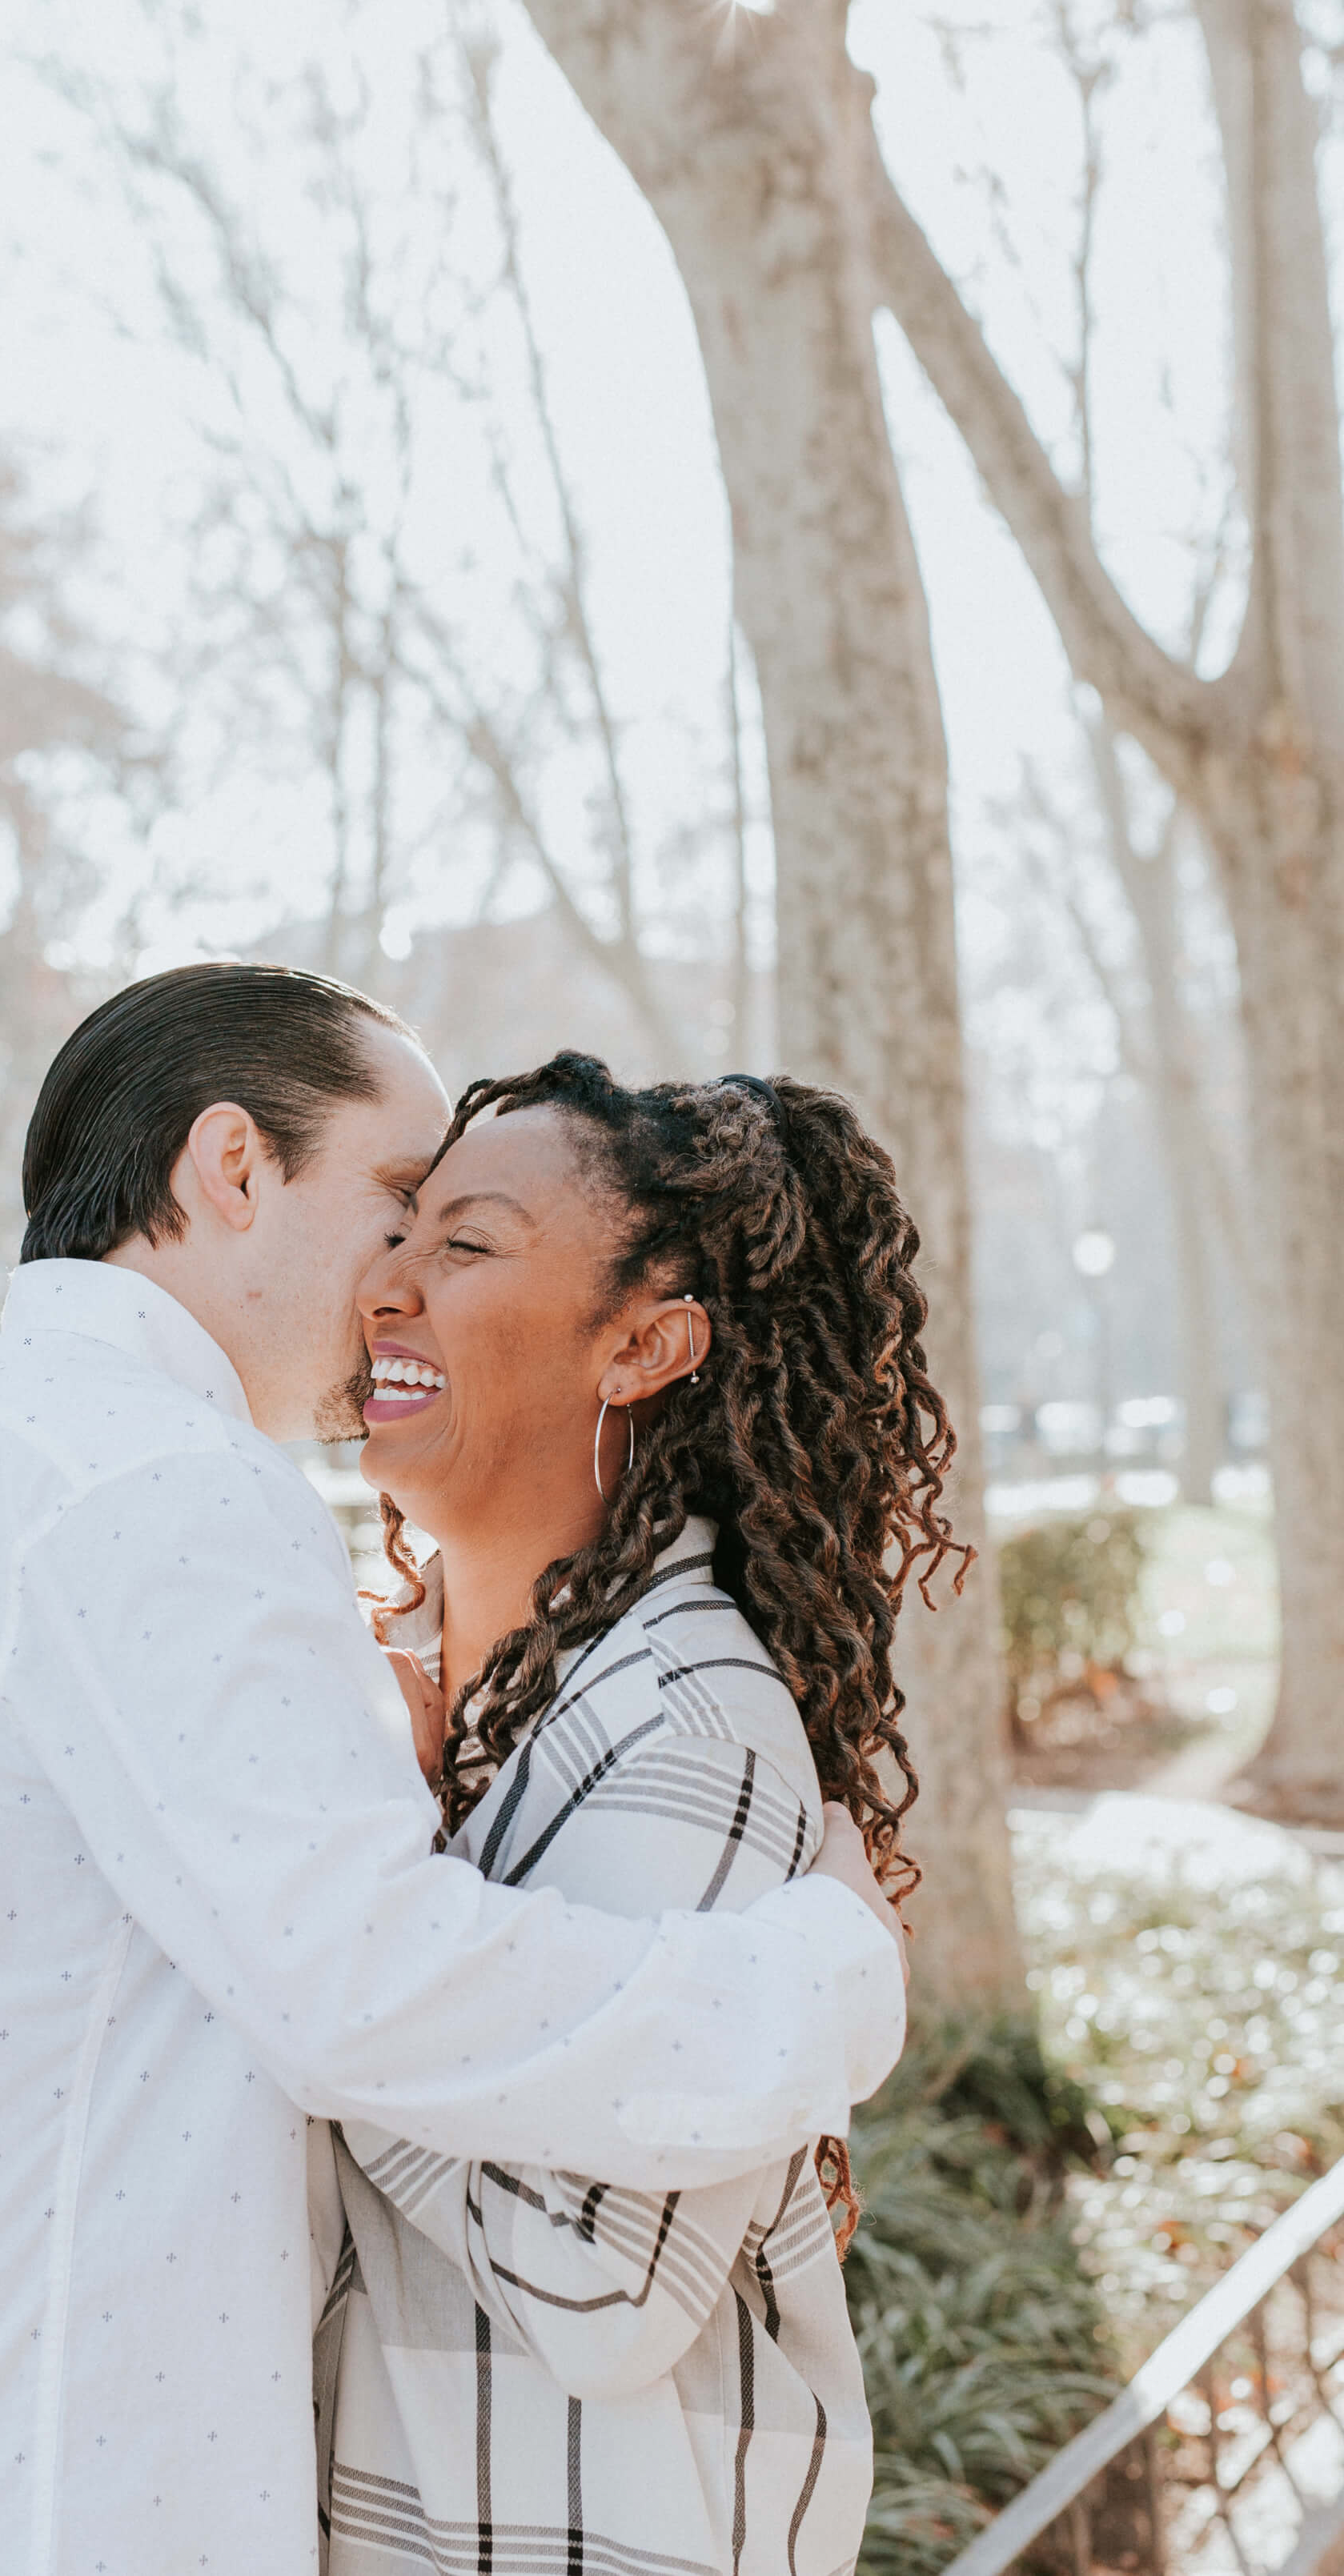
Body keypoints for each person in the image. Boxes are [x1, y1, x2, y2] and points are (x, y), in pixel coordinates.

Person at [0, 967, 907, 2576]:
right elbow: (358, 1984)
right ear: (230, 1168)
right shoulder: (155, 1487)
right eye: (397, 1200)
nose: (399, 1274)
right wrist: (819, 1989)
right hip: (16, 2499)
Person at [317, 1053, 964, 2576]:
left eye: (463, 1246)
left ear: (647, 1345)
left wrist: (315, 1942)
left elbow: (600, 2280)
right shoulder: (431, 1688)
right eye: (399, 1232)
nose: (384, 1286)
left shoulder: (683, 1717)